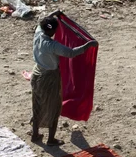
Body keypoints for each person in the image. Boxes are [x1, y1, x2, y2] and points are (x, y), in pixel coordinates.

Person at [30, 16, 98, 146]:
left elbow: (43, 23)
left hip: (37, 73)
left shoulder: (38, 32)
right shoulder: (51, 45)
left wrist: (54, 14)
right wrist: (88, 45)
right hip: (49, 78)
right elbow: (71, 53)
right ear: (51, 31)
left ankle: (35, 134)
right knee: (54, 107)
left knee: (37, 104)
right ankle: (51, 139)